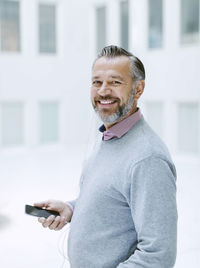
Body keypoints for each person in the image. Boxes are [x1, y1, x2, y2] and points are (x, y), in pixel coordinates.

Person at [34, 45, 177, 268]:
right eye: (97, 82)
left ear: (138, 89)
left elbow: (157, 255)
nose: (103, 91)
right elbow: (114, 199)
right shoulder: (109, 136)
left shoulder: (148, 159)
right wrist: (71, 209)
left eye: (115, 82)